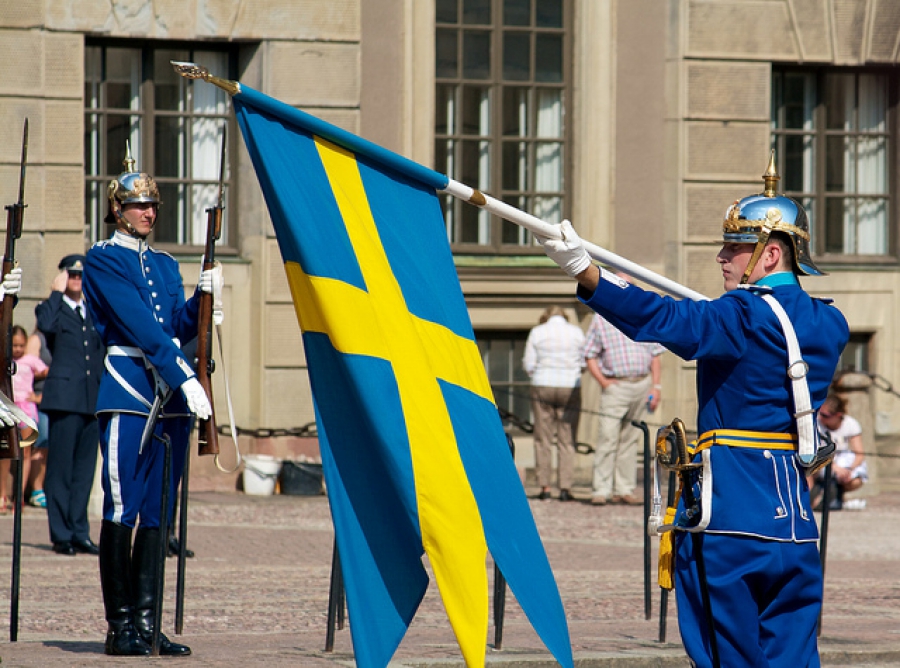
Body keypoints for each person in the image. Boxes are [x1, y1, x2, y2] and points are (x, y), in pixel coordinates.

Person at [537, 158, 849, 667]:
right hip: (794, 521)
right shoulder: (829, 322)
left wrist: (588, 275)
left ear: (770, 254)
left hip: (730, 516)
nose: (722, 258)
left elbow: (668, 318)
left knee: (725, 657)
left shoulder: (740, 316)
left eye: (735, 248)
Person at [82, 153, 220, 657]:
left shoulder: (164, 263)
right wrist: (184, 374)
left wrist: (203, 302)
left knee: (159, 512)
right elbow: (140, 327)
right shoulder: (103, 259)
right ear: (118, 210)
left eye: (152, 204)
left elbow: (174, 327)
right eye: (138, 204)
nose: (148, 212)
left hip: (173, 398)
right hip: (131, 389)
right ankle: (120, 627)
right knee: (122, 507)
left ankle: (147, 623)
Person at [35, 254, 105, 556]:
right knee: (60, 471)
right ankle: (61, 534)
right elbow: (45, 324)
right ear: (63, 277)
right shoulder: (52, 308)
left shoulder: (94, 311)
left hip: (92, 399)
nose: (77, 280)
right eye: (72, 275)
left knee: (84, 473)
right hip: (64, 400)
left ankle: (80, 532)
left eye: (81, 276)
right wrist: (56, 292)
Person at [584, 280, 664, 506]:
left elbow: (656, 354)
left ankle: (624, 489)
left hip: (641, 384)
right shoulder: (601, 318)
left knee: (631, 440)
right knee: (608, 437)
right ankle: (601, 490)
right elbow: (589, 354)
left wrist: (655, 387)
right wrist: (604, 382)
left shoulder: (641, 315)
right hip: (616, 385)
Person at [522, 305, 585, 501]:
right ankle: (565, 488)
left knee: (543, 438)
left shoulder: (537, 332)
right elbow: (583, 362)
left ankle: (545, 487)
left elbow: (529, 364)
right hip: (569, 385)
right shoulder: (576, 332)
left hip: (543, 383)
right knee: (567, 439)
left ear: (545, 317)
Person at [809, 393, 867, 511]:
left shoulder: (850, 424)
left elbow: (859, 454)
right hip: (820, 461)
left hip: (841, 462)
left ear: (838, 415)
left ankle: (836, 494)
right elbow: (814, 452)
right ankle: (808, 499)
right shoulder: (817, 425)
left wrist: (849, 470)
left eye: (825, 415)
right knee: (809, 469)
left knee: (856, 480)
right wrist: (834, 467)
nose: (820, 417)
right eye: (820, 413)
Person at [25, 327, 52, 507]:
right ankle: (36, 489)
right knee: (40, 444)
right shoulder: (38, 339)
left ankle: (43, 488)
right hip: (38, 402)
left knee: (49, 446)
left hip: (55, 401)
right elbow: (25, 368)